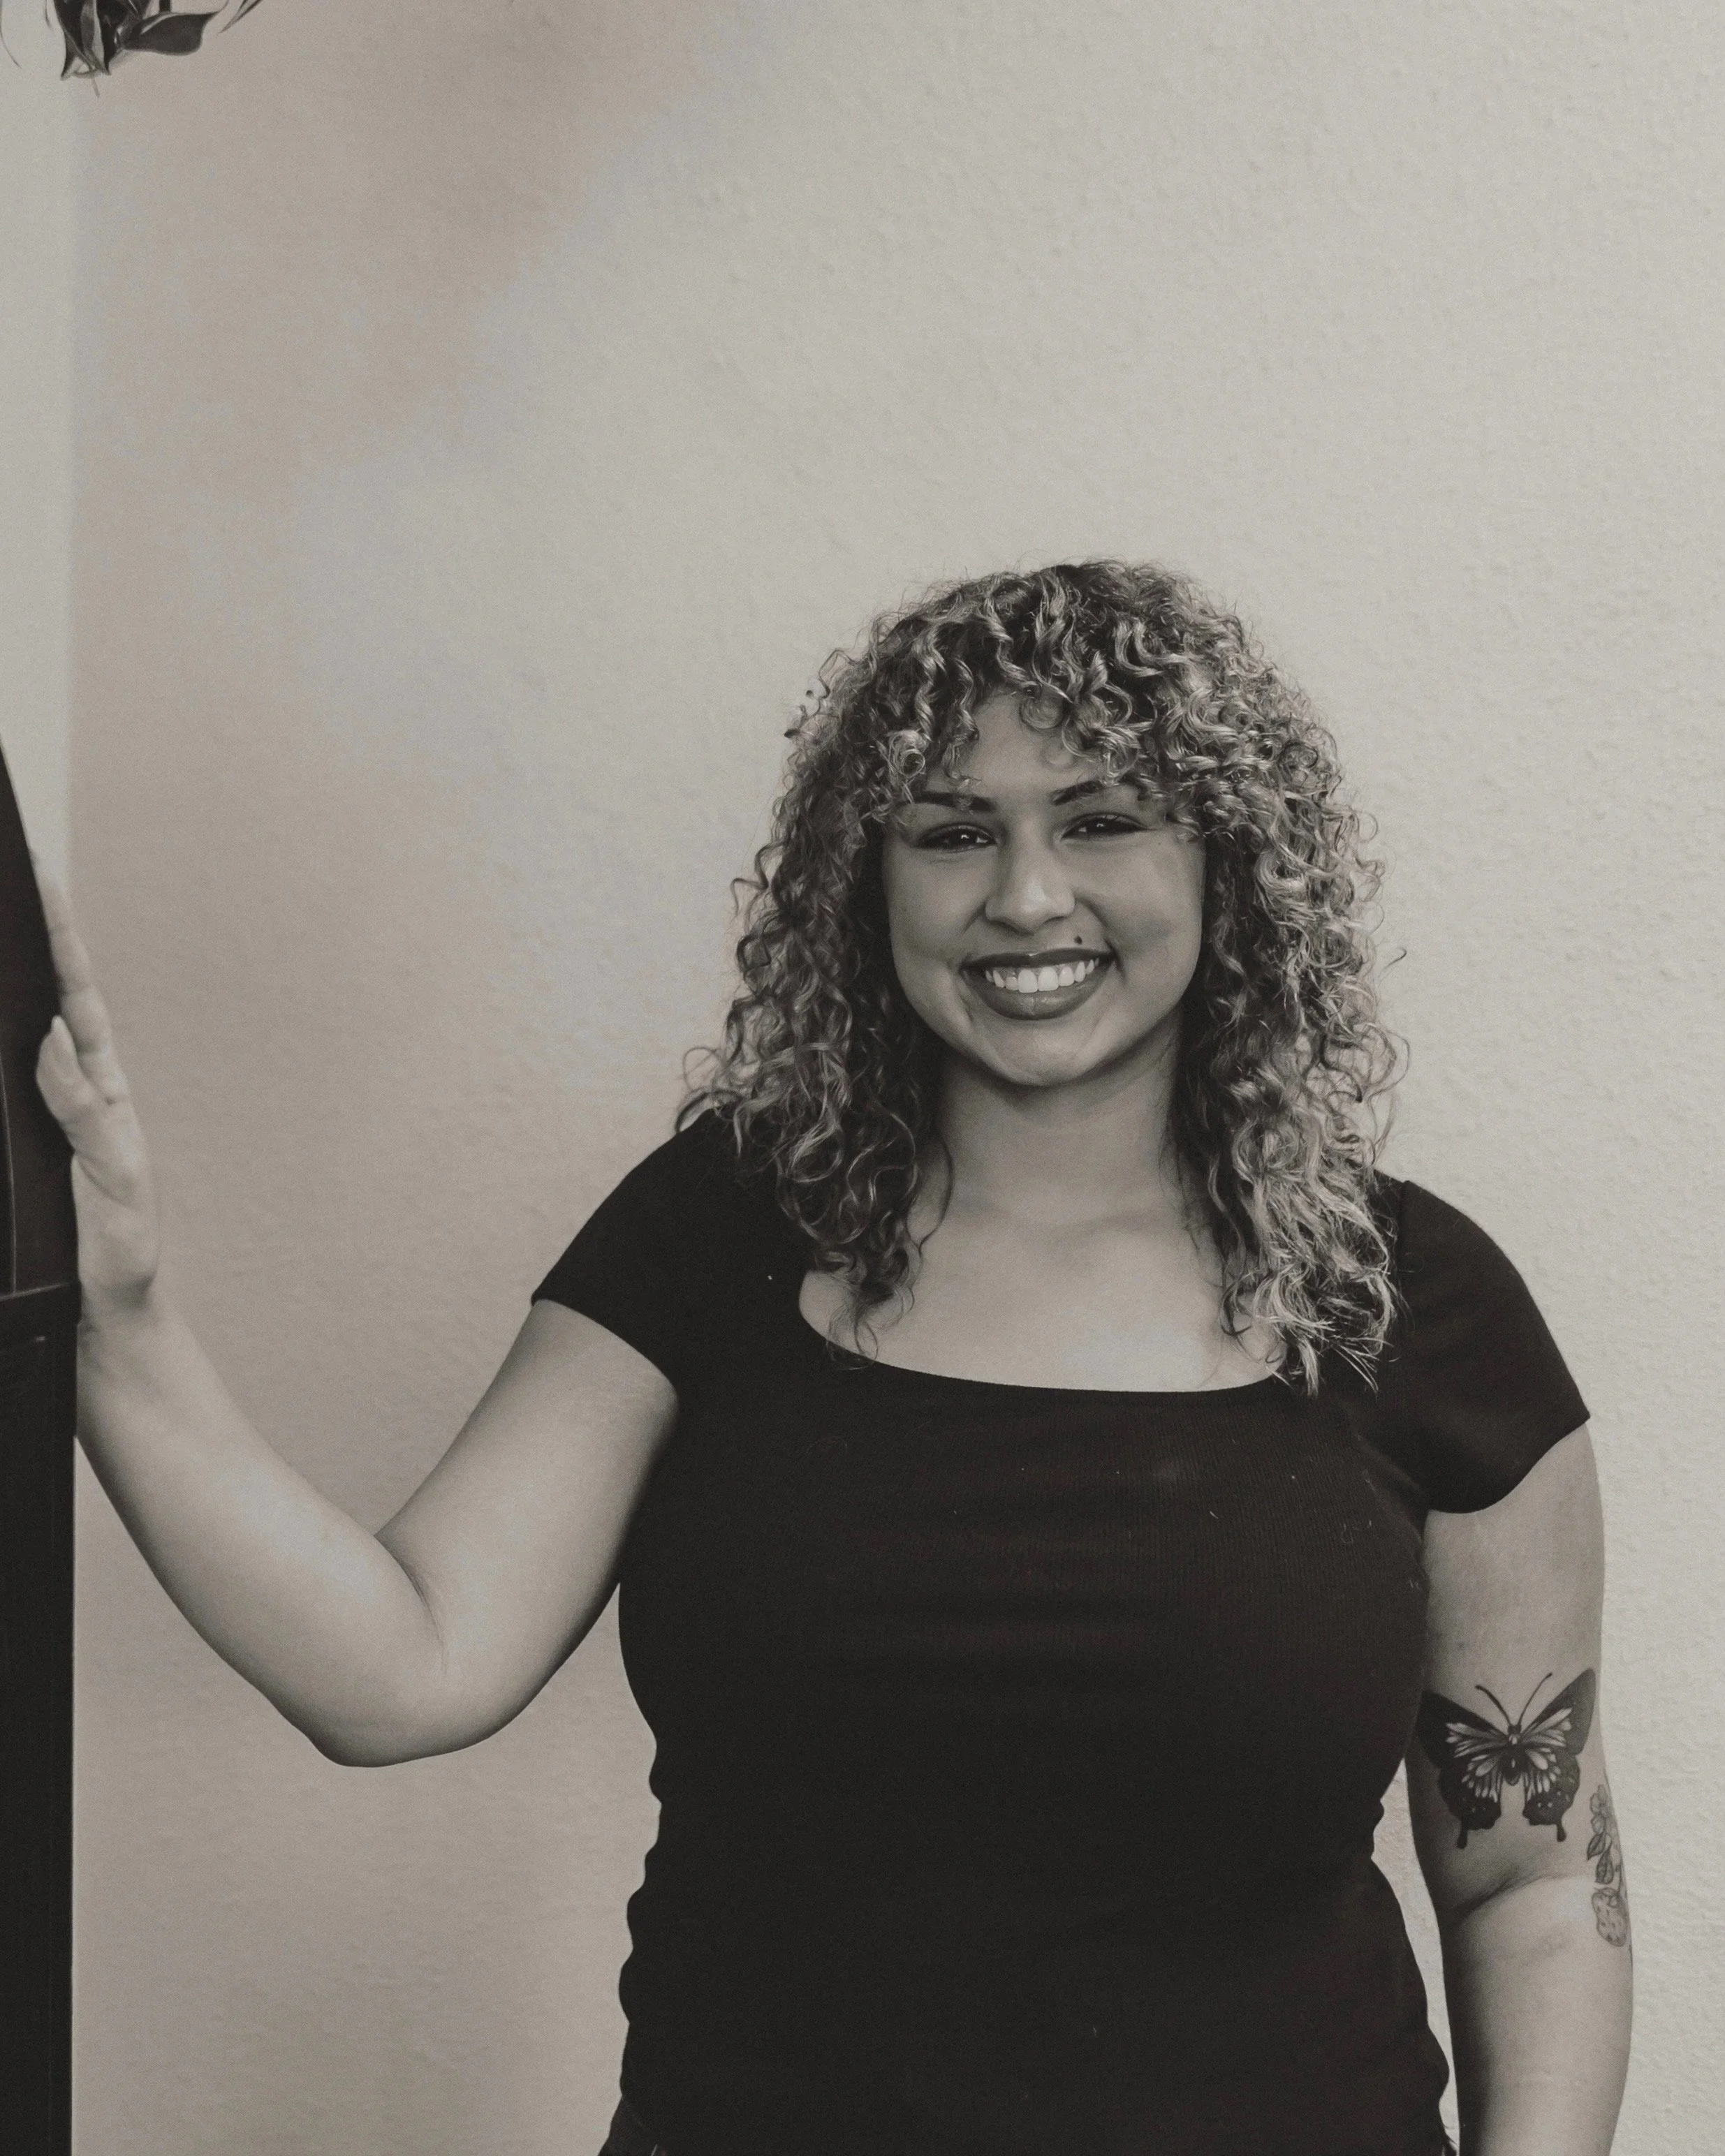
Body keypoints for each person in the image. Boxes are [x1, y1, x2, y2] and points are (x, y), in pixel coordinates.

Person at [40, 561, 1630, 2156]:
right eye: (950, 830)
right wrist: (117, 1324)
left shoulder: (1410, 1302)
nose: (1022, 895)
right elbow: (401, 1665)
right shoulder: (716, 1234)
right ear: (863, 883)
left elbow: (1532, 1881)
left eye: (1098, 818)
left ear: (1226, 860)